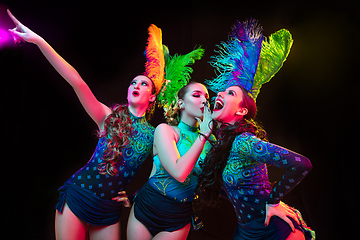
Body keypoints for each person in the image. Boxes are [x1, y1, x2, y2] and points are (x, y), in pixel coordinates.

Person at [8, 10, 166, 240]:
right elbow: (76, 81)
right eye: (133, 82)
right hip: (79, 196)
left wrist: (134, 196)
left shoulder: (154, 134)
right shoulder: (108, 117)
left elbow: (163, 173)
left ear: (152, 97)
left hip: (108, 211)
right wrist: (39, 41)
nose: (136, 85)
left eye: (143, 84)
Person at [196, 19, 315, 240]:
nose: (220, 94)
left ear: (242, 112)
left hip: (273, 230)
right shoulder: (220, 144)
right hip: (246, 232)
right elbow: (227, 187)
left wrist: (273, 200)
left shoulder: (244, 142)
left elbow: (301, 164)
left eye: (231, 93)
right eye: (222, 92)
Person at [127, 44, 215, 240]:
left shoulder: (212, 141)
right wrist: (203, 136)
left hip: (178, 218)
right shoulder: (165, 130)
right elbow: (178, 172)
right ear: (181, 103)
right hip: (147, 208)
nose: (204, 100)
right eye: (196, 95)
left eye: (207, 97)